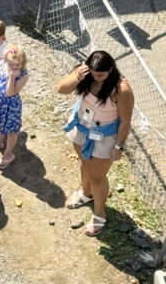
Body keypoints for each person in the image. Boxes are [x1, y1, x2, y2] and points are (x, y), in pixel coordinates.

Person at [57, 50, 135, 237]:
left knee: (97, 177)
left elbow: (125, 121)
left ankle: (100, 213)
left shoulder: (121, 90)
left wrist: (119, 147)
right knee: (85, 163)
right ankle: (86, 193)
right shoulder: (85, 75)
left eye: (100, 75)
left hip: (103, 137)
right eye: (93, 74)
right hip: (82, 127)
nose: (96, 78)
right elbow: (61, 89)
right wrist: (78, 75)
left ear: (111, 70)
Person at [0, 45, 30, 170]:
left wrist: (12, 77)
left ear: (23, 63)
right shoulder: (1, 65)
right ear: (6, 61)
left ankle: (8, 154)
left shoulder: (24, 76)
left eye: (17, 65)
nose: (14, 67)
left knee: (11, 131)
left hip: (11, 107)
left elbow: (10, 93)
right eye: (11, 64)